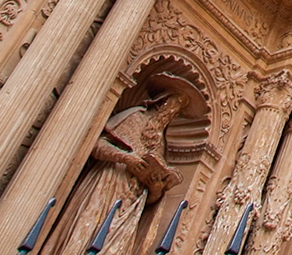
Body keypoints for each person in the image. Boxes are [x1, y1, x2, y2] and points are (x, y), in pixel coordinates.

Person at [44, 94, 186, 255]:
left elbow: (149, 200)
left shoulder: (161, 143)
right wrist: (125, 158)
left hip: (131, 203)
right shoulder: (134, 118)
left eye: (175, 112)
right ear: (159, 103)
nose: (170, 113)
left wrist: (155, 189)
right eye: (170, 106)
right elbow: (97, 144)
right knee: (84, 230)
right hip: (107, 183)